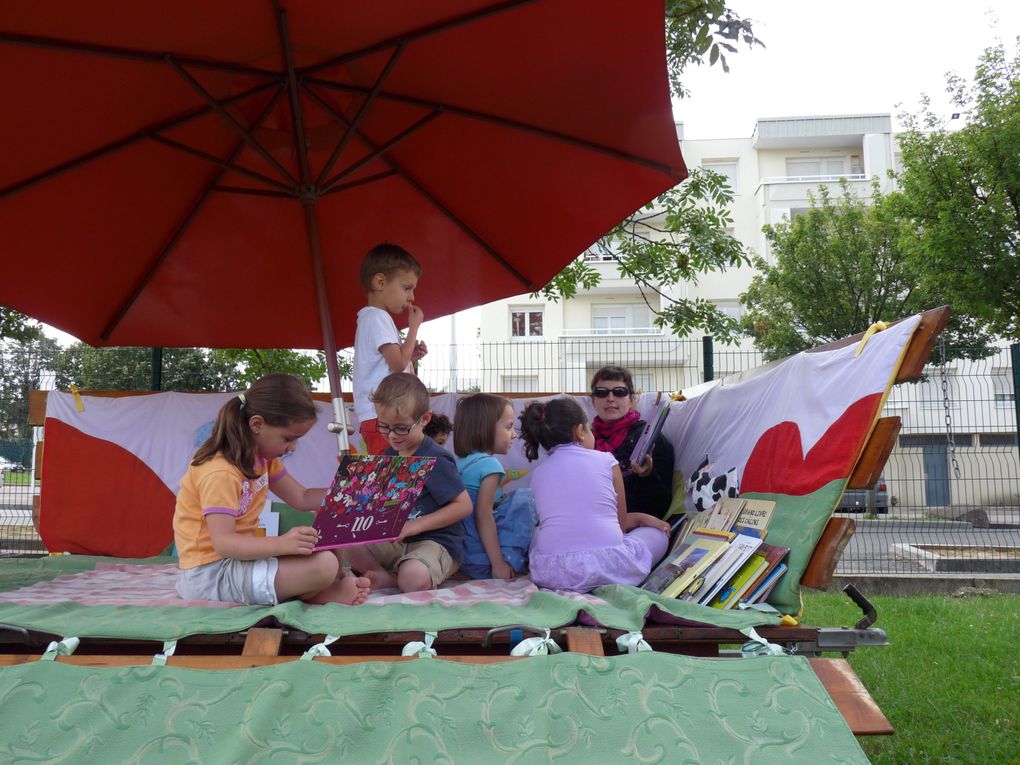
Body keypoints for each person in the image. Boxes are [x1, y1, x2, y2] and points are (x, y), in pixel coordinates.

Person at [173, 374, 371, 606]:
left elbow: (302, 497)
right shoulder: (221, 472)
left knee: (327, 539)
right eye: (288, 438)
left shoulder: (262, 460)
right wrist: (283, 543)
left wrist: (350, 494)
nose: (292, 447)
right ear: (257, 424)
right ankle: (322, 592)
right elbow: (224, 543)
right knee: (324, 565)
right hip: (209, 575)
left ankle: (322, 590)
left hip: (237, 564)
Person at [519, 397, 670, 593]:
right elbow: (620, 524)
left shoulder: (538, 474)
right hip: (610, 567)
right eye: (590, 429)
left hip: (555, 575)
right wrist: (644, 519)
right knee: (659, 534)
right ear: (580, 431)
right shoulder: (607, 461)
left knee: (539, 532)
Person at [343, 373, 471, 592]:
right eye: (384, 426)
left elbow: (464, 506)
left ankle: (397, 578)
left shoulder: (435, 459)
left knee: (412, 578)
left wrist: (415, 525)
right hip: (396, 541)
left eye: (401, 427)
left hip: (434, 542)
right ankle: (385, 576)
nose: (392, 435)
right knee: (344, 538)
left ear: (425, 419)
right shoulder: (391, 453)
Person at [354, 243, 428, 455]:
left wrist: (409, 355)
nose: (412, 297)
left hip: (380, 415)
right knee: (390, 476)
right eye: (407, 288)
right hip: (385, 417)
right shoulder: (378, 317)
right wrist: (414, 327)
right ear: (380, 282)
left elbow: (390, 361)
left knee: (393, 472)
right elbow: (397, 364)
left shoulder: (371, 318)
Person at [453, 393, 537, 579]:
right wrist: (497, 563)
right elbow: (483, 516)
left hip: (460, 555)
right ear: (485, 429)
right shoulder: (490, 466)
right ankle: (509, 559)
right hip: (481, 559)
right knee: (525, 498)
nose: (514, 434)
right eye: (508, 427)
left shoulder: (459, 463)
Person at [590, 366, 675, 520]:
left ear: (632, 399)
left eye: (619, 392)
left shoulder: (650, 437)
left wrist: (647, 476)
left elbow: (662, 504)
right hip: (593, 521)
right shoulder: (585, 441)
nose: (610, 398)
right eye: (602, 392)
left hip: (640, 525)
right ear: (593, 401)